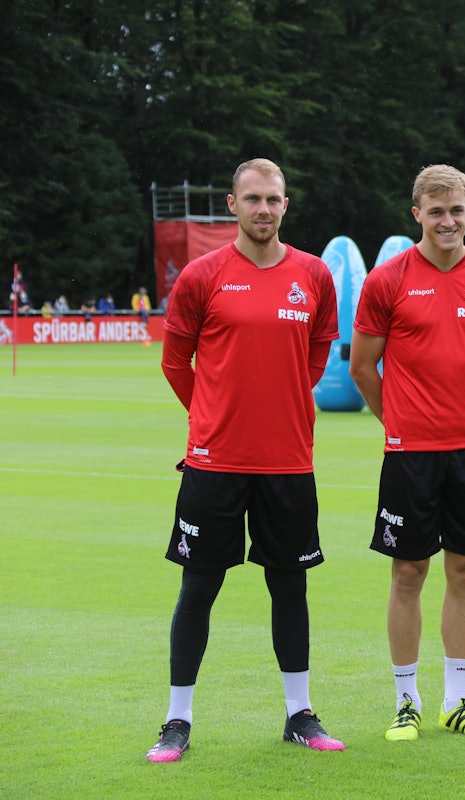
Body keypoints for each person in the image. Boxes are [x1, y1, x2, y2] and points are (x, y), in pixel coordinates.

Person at [145, 157, 344, 763]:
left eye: (274, 199)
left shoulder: (312, 276)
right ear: (232, 204)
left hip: (287, 461)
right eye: (252, 198)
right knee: (198, 587)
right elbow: (176, 363)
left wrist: (282, 408)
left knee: (290, 589)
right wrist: (209, 416)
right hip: (214, 462)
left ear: (286, 205)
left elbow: (315, 357)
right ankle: (177, 720)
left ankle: (299, 714)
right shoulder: (202, 275)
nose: (264, 209)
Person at [350, 164, 465, 742]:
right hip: (410, 453)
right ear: (416, 213)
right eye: (436, 210)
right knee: (408, 572)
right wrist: (398, 422)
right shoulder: (388, 279)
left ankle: (457, 701)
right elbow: (361, 366)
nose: (448, 221)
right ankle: (406, 702)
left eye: (457, 210)